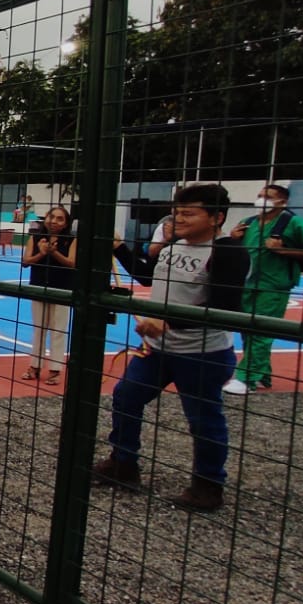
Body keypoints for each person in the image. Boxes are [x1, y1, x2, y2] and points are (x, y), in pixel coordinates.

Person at [98, 183, 250, 511]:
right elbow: (147, 276)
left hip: (202, 352)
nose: (178, 219)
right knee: (126, 396)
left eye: (188, 213)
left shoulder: (227, 252)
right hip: (158, 348)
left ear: (216, 217)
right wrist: (120, 248)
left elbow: (226, 306)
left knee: (203, 419)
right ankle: (123, 463)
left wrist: (169, 321)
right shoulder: (173, 246)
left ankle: (208, 485)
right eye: (177, 212)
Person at [225, 184, 303, 395]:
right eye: (260, 195)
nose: (261, 199)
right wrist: (233, 238)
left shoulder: (294, 223)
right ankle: (263, 374)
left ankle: (247, 378)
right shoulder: (249, 222)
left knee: (260, 330)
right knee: (247, 330)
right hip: (246, 283)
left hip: (273, 285)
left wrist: (283, 251)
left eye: (268, 196)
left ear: (282, 202)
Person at [22, 206, 77, 385]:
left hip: (62, 289)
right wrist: (42, 253)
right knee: (39, 328)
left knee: (58, 330)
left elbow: (72, 263)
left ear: (66, 224)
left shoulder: (71, 240)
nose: (54, 221)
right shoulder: (36, 238)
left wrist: (54, 253)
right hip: (39, 287)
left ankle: (55, 369)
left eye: (60, 219)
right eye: (51, 217)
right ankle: (35, 366)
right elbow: (26, 261)